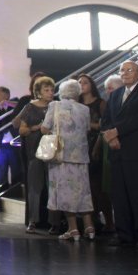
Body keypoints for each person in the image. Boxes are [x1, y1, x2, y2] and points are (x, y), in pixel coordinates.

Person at [100, 60, 138, 249]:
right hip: (117, 151)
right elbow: (106, 119)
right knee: (120, 196)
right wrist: (110, 138)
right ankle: (124, 234)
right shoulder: (115, 94)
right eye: (122, 70)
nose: (124, 73)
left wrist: (117, 132)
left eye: (129, 70)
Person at [41, 78, 94, 240]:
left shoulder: (54, 106)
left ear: (62, 92)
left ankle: (73, 230)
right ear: (77, 93)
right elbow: (87, 129)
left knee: (65, 193)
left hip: (61, 156)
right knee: (83, 192)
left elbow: (44, 128)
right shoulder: (85, 109)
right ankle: (89, 227)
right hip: (81, 156)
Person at [12, 76, 53, 233]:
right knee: (35, 188)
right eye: (46, 90)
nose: (50, 93)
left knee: (53, 187)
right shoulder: (30, 107)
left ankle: (54, 222)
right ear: (39, 92)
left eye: (52, 90)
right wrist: (36, 128)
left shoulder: (55, 106)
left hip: (52, 151)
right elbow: (21, 129)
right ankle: (33, 221)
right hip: (34, 151)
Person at [77, 72, 111, 233]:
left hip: (96, 145)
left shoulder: (100, 103)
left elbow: (105, 125)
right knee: (85, 187)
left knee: (98, 186)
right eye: (79, 82)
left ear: (91, 85)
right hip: (79, 146)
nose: (82, 85)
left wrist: (89, 125)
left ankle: (109, 221)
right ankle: (92, 221)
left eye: (85, 82)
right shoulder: (76, 104)